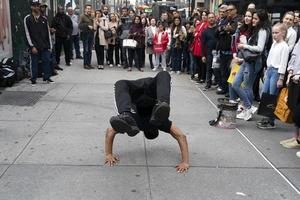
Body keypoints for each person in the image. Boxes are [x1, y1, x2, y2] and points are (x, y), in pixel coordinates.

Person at [105, 71, 189, 173]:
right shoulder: (151, 123)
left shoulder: (160, 123)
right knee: (120, 83)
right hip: (141, 93)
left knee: (163, 74)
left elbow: (181, 136)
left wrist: (185, 161)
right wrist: (108, 154)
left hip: (145, 91)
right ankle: (125, 113)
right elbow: (110, 131)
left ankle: (161, 103)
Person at [256, 23, 289, 129]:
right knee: (265, 95)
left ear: (283, 33)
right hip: (270, 71)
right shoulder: (274, 44)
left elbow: (283, 63)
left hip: (276, 73)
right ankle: (266, 117)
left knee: (272, 96)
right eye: (273, 33)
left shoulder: (284, 46)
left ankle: (271, 121)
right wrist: (266, 71)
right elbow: (270, 58)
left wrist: (281, 78)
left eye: (276, 32)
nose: (274, 35)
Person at [24, 0, 54, 84]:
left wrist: (50, 46)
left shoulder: (44, 19)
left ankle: (47, 77)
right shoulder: (27, 18)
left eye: (38, 5)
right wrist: (32, 46)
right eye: (34, 5)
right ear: (31, 7)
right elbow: (27, 33)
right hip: (34, 45)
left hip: (44, 45)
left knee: (47, 61)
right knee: (34, 63)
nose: (36, 7)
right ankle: (33, 79)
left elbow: (48, 33)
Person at [201, 12, 217, 89]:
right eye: (210, 17)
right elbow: (202, 44)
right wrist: (203, 55)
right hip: (209, 52)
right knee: (209, 68)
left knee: (217, 69)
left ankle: (218, 83)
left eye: (212, 17)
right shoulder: (205, 31)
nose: (211, 19)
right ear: (207, 19)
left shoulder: (218, 29)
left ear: (215, 18)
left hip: (218, 52)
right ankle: (208, 83)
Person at [79, 4, 94, 69]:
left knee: (90, 50)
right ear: (85, 9)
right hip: (85, 35)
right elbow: (79, 25)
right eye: (88, 8)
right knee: (86, 50)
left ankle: (89, 63)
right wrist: (87, 25)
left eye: (90, 9)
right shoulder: (82, 16)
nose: (89, 10)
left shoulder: (92, 16)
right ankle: (85, 64)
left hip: (91, 34)